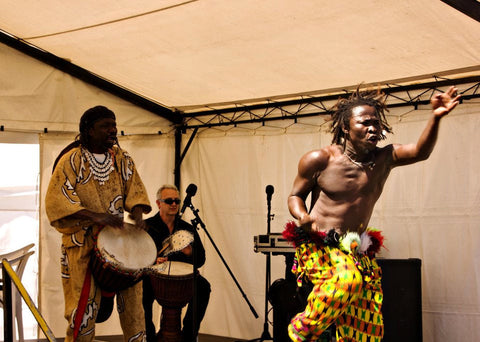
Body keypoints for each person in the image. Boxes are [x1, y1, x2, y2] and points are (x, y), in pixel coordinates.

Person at [284, 86, 460, 341]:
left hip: (355, 249)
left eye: (377, 123)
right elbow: (295, 196)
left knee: (367, 325)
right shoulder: (319, 159)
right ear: (346, 127)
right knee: (347, 279)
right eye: (365, 122)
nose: (373, 128)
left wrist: (436, 117)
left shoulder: (384, 158)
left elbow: (421, 151)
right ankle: (302, 330)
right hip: (320, 246)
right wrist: (302, 216)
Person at [45, 105, 152, 342]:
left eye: (114, 125)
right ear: (89, 130)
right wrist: (95, 216)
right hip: (81, 244)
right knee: (83, 310)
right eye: (106, 126)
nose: (113, 130)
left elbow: (134, 189)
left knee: (135, 307)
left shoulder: (121, 158)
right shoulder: (71, 160)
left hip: (117, 242)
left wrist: (136, 214)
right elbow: (56, 202)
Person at [142, 184, 211, 342]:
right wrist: (153, 261)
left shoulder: (187, 229)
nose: (174, 204)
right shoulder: (146, 227)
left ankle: (189, 334)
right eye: (169, 200)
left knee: (203, 287)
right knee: (140, 292)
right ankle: (149, 335)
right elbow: (136, 256)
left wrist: (189, 252)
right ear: (158, 203)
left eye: (176, 201)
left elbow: (201, 259)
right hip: (153, 276)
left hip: (182, 279)